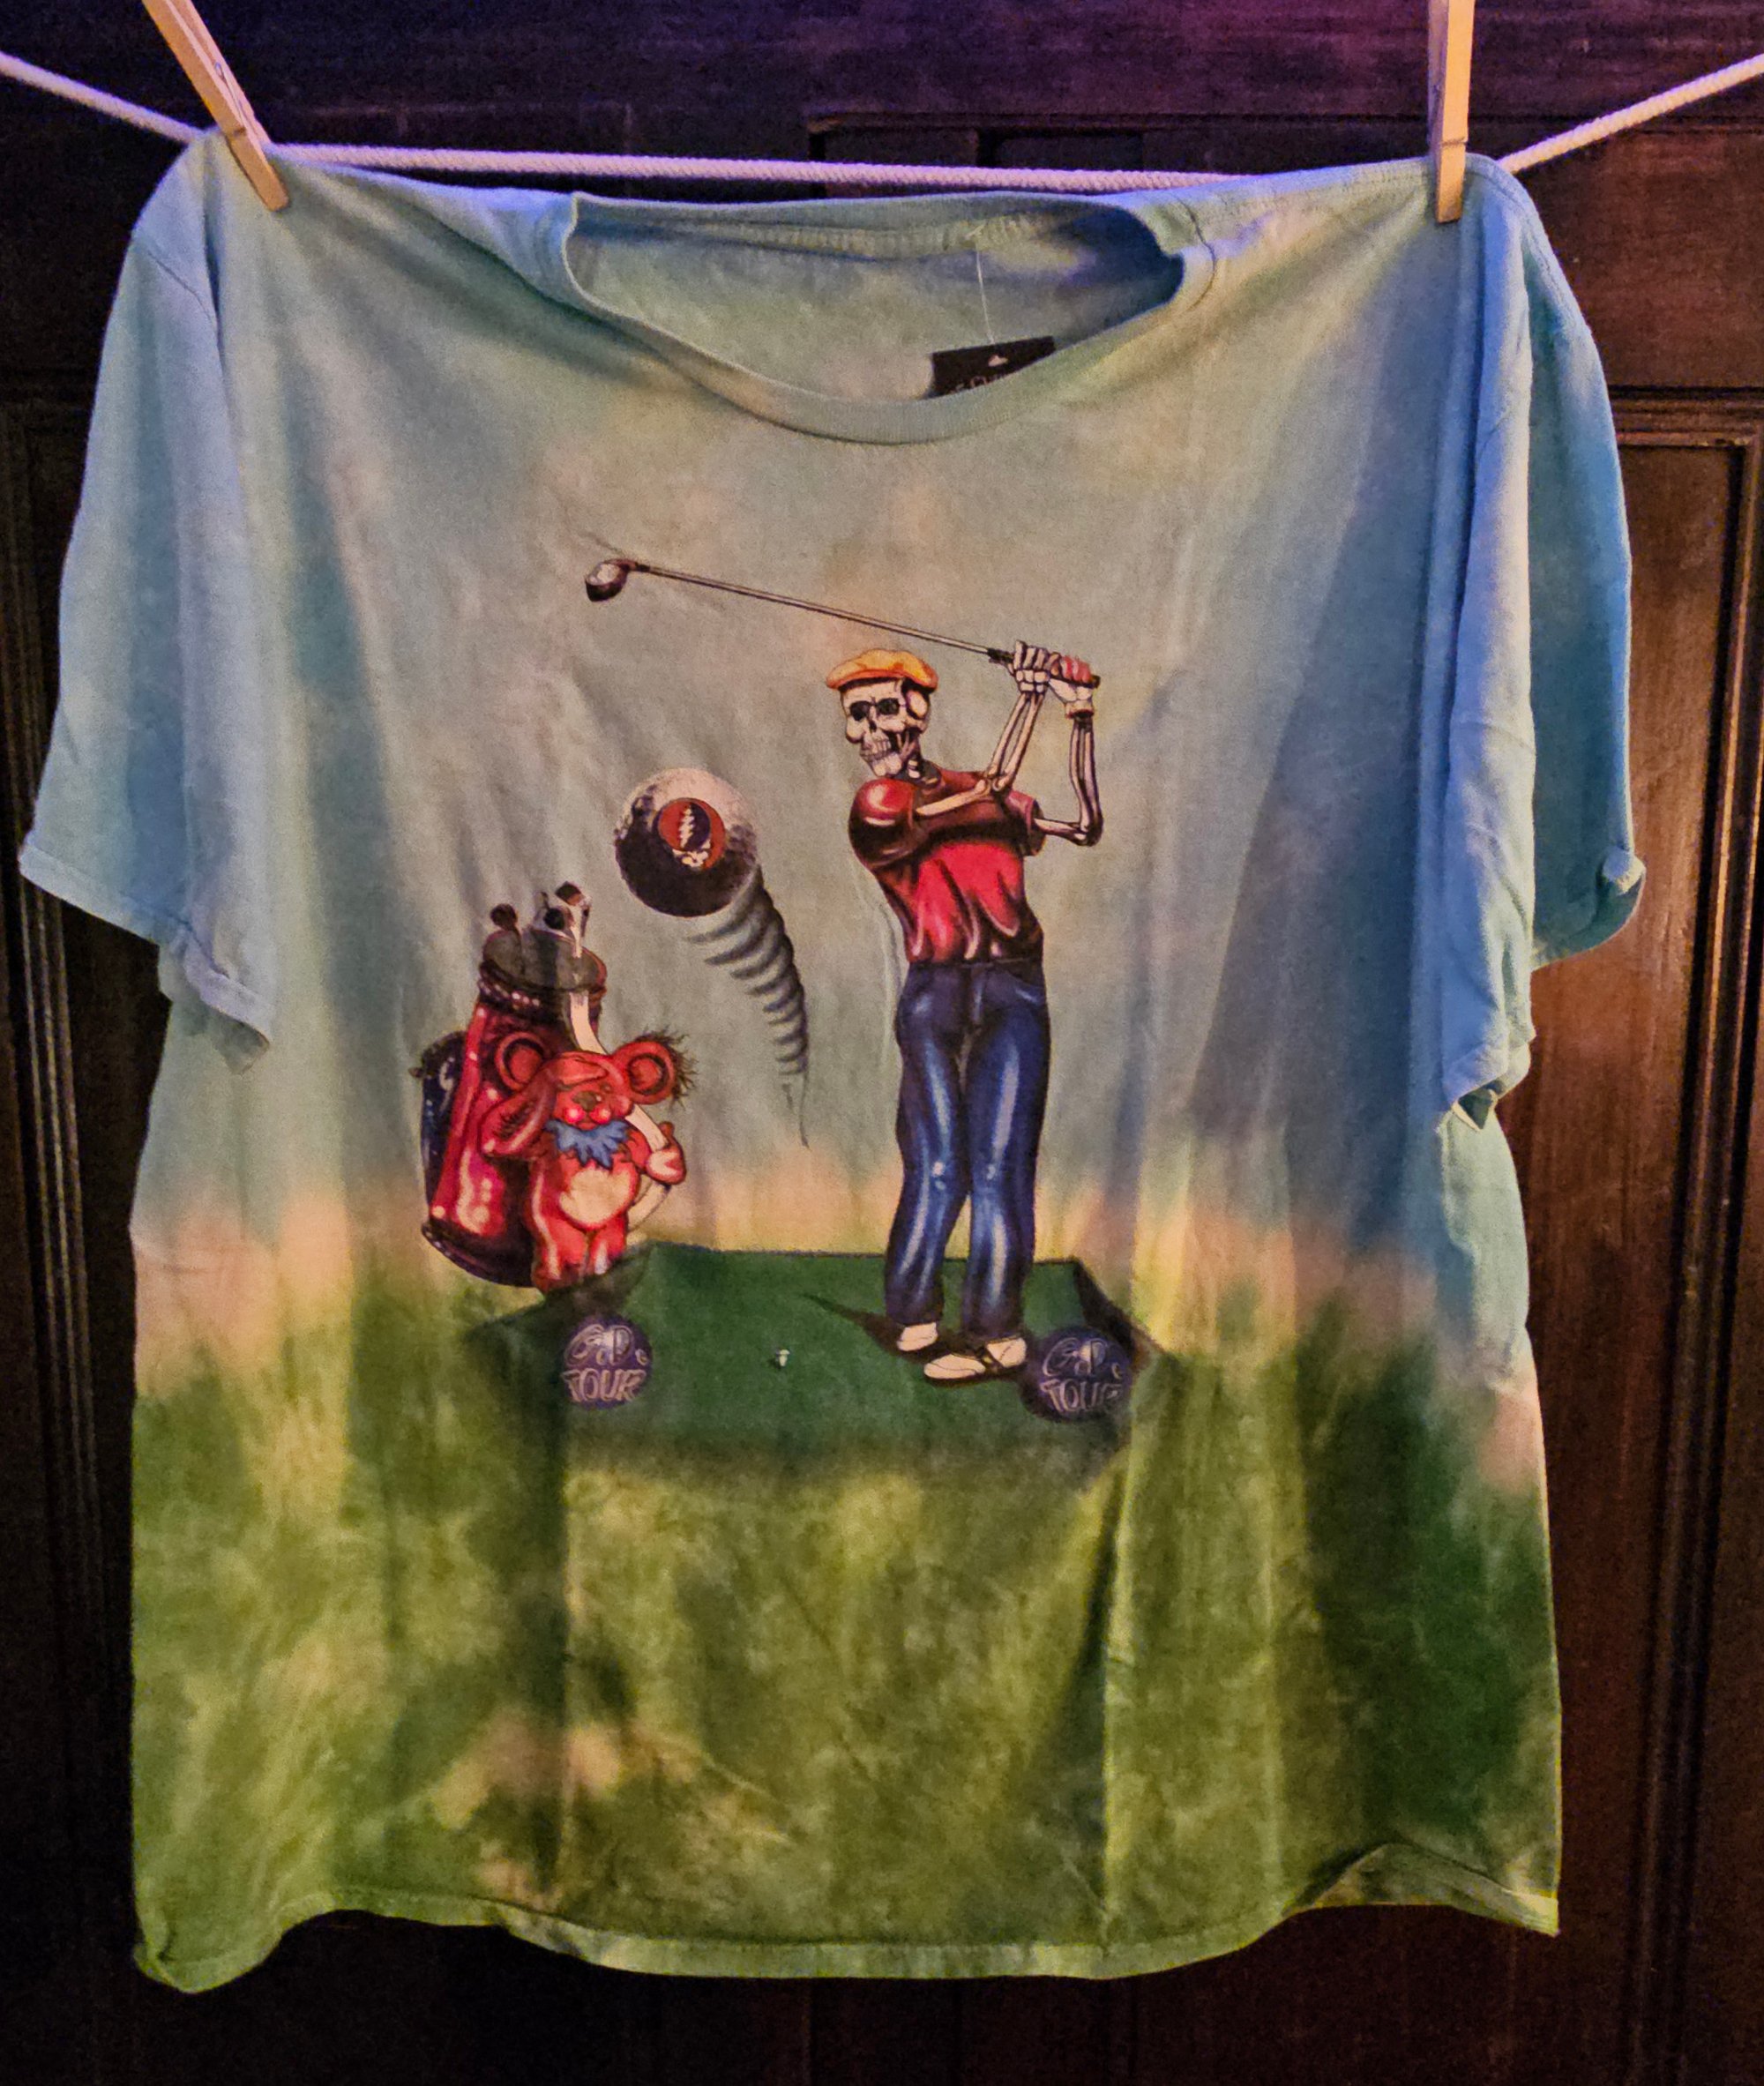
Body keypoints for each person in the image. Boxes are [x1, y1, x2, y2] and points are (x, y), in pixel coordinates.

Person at [834, 638, 1102, 1380]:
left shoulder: (984, 794)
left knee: (1000, 1164)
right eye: (856, 716)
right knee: (936, 1162)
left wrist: (1080, 715)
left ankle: (994, 1332)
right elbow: (996, 781)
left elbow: (1085, 826)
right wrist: (1031, 694)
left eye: (883, 710)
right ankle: (913, 1310)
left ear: (918, 711)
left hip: (1014, 987)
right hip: (936, 995)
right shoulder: (878, 805)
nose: (869, 732)